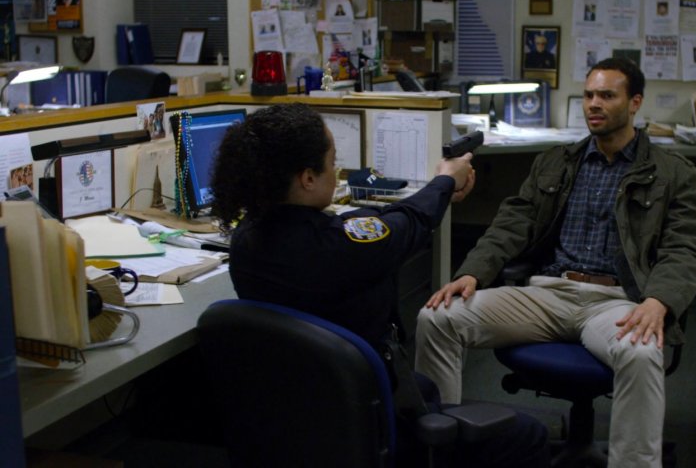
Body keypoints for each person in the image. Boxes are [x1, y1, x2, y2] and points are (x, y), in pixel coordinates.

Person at [210, 103, 550, 468]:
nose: (336, 170)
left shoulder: (247, 238)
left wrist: (438, 190)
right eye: (331, 161)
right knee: (530, 434)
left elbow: (371, 224)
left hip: (291, 422)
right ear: (308, 178)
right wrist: (445, 180)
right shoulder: (339, 248)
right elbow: (406, 225)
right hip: (365, 423)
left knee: (426, 388)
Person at [414, 58, 696, 467]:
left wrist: (660, 300)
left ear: (635, 102)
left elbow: (686, 249)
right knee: (438, 317)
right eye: (589, 95)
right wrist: (471, 273)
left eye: (607, 95)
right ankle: (442, 451)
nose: (594, 104)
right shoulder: (557, 162)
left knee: (641, 355)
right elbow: (512, 223)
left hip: (618, 302)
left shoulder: (673, 173)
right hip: (549, 293)